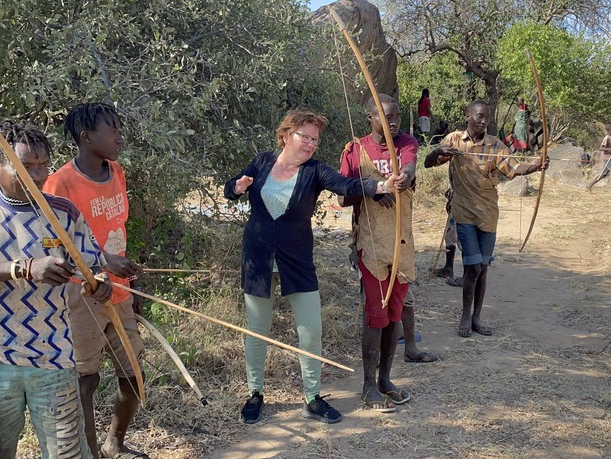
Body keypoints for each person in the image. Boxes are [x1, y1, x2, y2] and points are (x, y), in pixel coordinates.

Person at [224, 110, 401, 425]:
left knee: (311, 332)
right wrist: (236, 188)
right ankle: (255, 394)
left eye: (314, 139)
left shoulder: (315, 170)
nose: (309, 144)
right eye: (304, 136)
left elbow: (346, 185)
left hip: (297, 261)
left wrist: (380, 186)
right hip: (258, 259)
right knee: (257, 329)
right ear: (286, 136)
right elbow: (232, 188)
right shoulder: (262, 161)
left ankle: (312, 398)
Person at [0, 120, 112, 458]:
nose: (38, 175)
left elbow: (93, 266)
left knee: (66, 452)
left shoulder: (62, 212)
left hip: (54, 355)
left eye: (43, 165)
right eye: (26, 166)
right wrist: (22, 268)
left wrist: (99, 284)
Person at [42, 103, 146, 459]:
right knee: (85, 379)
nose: (119, 136)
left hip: (119, 291)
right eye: (112, 129)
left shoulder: (116, 171)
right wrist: (102, 261)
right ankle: (89, 453)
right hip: (81, 296)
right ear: (87, 138)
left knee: (133, 376)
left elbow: (118, 230)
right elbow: (54, 249)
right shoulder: (59, 183)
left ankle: (114, 444)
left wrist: (130, 284)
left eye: (119, 127)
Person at [424, 100, 548, 337]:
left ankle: (477, 318)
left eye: (486, 118)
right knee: (472, 266)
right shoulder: (455, 140)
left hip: (488, 213)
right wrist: (438, 152)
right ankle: (465, 315)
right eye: (479, 116)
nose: (483, 121)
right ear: (468, 115)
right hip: (464, 211)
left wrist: (535, 166)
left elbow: (514, 168)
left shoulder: (495, 145)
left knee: (482, 267)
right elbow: (429, 163)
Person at [339, 94, 422, 412]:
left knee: (394, 314)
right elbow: (343, 192)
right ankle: (367, 386)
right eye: (386, 117)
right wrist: (373, 188)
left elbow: (411, 165)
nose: (393, 123)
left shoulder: (406, 143)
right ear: (370, 119)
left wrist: (404, 177)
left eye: (396, 116)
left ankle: (386, 380)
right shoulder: (355, 149)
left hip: (401, 243)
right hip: (371, 245)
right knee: (375, 315)